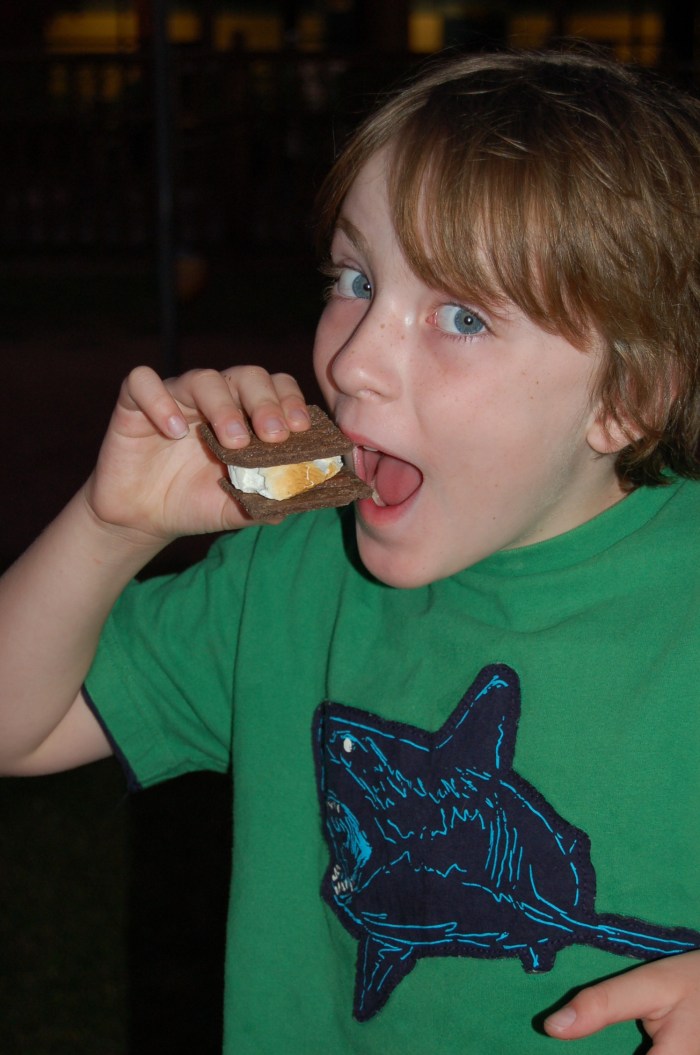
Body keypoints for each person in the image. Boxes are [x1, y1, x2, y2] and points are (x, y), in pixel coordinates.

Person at [2, 46, 700, 1053]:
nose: (352, 357)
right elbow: (17, 725)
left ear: (628, 398)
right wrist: (114, 527)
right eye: (354, 276)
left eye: (460, 315)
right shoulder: (289, 571)